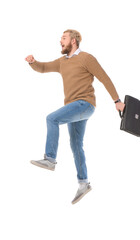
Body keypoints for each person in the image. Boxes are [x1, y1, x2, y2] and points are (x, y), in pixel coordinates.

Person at [25, 29, 125, 204]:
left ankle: (50, 159)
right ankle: (83, 183)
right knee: (76, 144)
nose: (60, 41)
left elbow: (104, 78)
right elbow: (44, 67)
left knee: (52, 118)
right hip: (73, 107)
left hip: (85, 104)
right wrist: (33, 62)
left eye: (63, 38)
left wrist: (116, 100)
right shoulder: (62, 62)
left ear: (73, 41)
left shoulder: (86, 58)